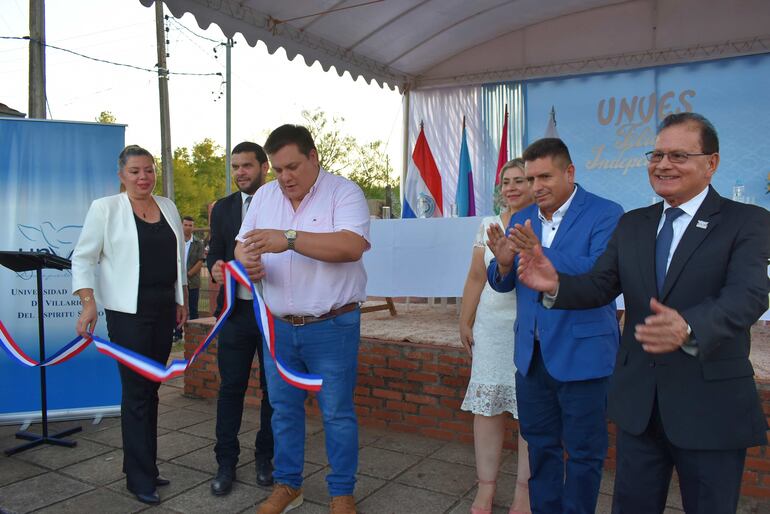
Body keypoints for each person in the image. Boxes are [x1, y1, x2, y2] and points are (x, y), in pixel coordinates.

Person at [514, 112, 770, 514]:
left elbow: (750, 294)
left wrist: (688, 326)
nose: (664, 164)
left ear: (712, 163)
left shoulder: (747, 221)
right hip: (640, 408)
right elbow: (601, 285)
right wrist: (556, 284)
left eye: (679, 156)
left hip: (709, 404)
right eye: (657, 154)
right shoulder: (634, 223)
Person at [235, 124, 370, 514]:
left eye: (292, 167)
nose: (285, 177)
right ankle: (288, 485)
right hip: (277, 326)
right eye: (277, 170)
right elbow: (242, 245)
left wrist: (289, 238)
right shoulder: (264, 196)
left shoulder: (343, 192)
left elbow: (351, 246)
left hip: (332, 325)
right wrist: (247, 260)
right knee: (283, 410)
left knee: (337, 413)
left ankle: (342, 493)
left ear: (314, 157)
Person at [486, 138, 623, 513]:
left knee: (583, 455)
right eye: (530, 179)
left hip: (583, 356)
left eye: (544, 176)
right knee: (541, 449)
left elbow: (601, 273)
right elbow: (505, 282)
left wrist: (539, 253)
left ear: (570, 172)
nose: (535, 186)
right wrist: (500, 264)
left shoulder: (606, 213)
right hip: (531, 359)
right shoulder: (521, 217)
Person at [71, 145, 188, 505]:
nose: (144, 177)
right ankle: (139, 478)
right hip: (128, 313)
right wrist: (88, 304)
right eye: (135, 171)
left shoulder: (167, 206)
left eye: (149, 170)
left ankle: (145, 467)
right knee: (137, 392)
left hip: (163, 309)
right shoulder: (105, 208)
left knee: (151, 390)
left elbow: (177, 256)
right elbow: (83, 256)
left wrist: (181, 299)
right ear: (121, 176)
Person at [459, 159, 533, 514]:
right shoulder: (488, 224)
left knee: (530, 414)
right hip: (491, 327)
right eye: (506, 181)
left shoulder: (544, 224)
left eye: (520, 180)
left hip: (530, 328)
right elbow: (476, 276)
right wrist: (465, 319)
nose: (512, 187)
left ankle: (524, 494)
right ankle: (485, 491)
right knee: (487, 412)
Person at [207, 141, 274, 495]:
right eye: (234, 167)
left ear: (264, 166)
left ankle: (266, 457)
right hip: (234, 314)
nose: (240, 173)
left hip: (274, 313)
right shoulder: (223, 209)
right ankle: (225, 462)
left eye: (247, 166)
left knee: (272, 391)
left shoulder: (280, 202)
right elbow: (215, 254)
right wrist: (216, 268)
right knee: (230, 389)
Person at [174, 216, 205, 340]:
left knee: (193, 308)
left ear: (193, 227)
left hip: (192, 282)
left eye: (190, 225)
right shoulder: (176, 240)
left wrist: (186, 275)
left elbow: (200, 261)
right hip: (177, 282)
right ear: (181, 225)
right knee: (178, 308)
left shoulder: (198, 243)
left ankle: (193, 336)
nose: (187, 227)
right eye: (185, 225)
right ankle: (177, 333)